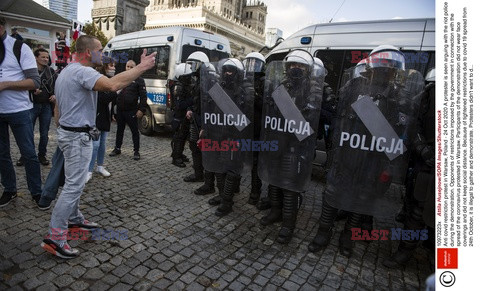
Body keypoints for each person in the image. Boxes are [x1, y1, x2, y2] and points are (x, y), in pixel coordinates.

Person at [41, 35, 156, 259]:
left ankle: (74, 219)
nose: (103, 54)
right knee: (73, 186)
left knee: (73, 182)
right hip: (77, 137)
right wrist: (142, 67)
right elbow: (114, 85)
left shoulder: (67, 70)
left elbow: (59, 109)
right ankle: (55, 237)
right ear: (87, 53)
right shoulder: (83, 72)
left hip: (69, 133)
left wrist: (64, 127)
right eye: (99, 49)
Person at [308, 45, 424, 257]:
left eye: (389, 69)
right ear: (371, 68)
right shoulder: (353, 86)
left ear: (395, 72)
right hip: (347, 152)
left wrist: (388, 167)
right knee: (333, 194)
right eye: (380, 67)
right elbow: (338, 118)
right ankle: (323, 233)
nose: (383, 72)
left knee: (359, 199)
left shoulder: (398, 98)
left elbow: (401, 135)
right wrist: (334, 148)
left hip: (372, 159)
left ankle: (347, 237)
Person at [258, 50, 324, 243]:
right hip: (277, 142)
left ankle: (288, 225)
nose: (296, 69)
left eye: (300, 66)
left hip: (296, 146)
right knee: (274, 182)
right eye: (292, 65)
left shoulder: (313, 90)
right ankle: (275, 212)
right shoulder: (281, 87)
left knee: (290, 188)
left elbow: (320, 120)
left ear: (307, 69)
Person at [383, 68, 435, 268]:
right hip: (427, 166)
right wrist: (424, 150)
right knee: (416, 214)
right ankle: (404, 252)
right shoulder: (430, 94)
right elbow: (414, 125)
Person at [0, 16, 42, 208]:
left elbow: (34, 82)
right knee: (2, 154)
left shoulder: (18, 47)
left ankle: (36, 192)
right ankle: (9, 190)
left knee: (28, 153)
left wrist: (5, 85)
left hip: (19, 110)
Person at [17, 48, 57, 167]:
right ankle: (25, 155)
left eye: (47, 57)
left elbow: (57, 86)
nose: (45, 59)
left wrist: (54, 95)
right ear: (36, 58)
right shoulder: (30, 72)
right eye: (43, 57)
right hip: (31, 104)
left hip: (46, 106)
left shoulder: (51, 72)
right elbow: (22, 86)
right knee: (27, 132)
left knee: (44, 133)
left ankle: (42, 155)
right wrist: (31, 90)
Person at [109, 60, 147, 160]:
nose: (129, 69)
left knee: (134, 131)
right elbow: (114, 94)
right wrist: (113, 111)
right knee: (119, 130)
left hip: (132, 110)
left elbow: (143, 97)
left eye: (131, 67)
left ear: (135, 68)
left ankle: (136, 151)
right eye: (127, 66)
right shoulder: (121, 78)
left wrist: (141, 110)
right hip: (120, 110)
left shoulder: (139, 80)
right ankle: (117, 148)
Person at [86, 58, 117, 182]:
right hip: (96, 117)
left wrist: (113, 113)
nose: (113, 68)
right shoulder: (99, 79)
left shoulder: (108, 80)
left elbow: (111, 100)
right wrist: (115, 91)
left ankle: (100, 166)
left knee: (103, 144)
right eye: (111, 65)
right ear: (104, 66)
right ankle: (88, 170)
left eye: (114, 65)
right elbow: (103, 98)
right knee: (95, 144)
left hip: (105, 116)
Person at [184, 51, 210, 183]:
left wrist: (205, 126)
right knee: (194, 146)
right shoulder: (198, 80)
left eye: (194, 64)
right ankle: (198, 174)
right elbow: (194, 101)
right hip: (196, 118)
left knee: (204, 149)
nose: (192, 67)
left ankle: (206, 178)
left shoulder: (208, 81)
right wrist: (189, 110)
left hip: (203, 120)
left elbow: (210, 106)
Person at [170, 63, 193, 168]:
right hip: (179, 115)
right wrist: (192, 101)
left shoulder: (185, 85)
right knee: (179, 136)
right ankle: (176, 157)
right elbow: (179, 104)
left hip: (183, 115)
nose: (190, 78)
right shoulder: (178, 87)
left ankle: (179, 154)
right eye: (188, 76)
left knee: (183, 136)